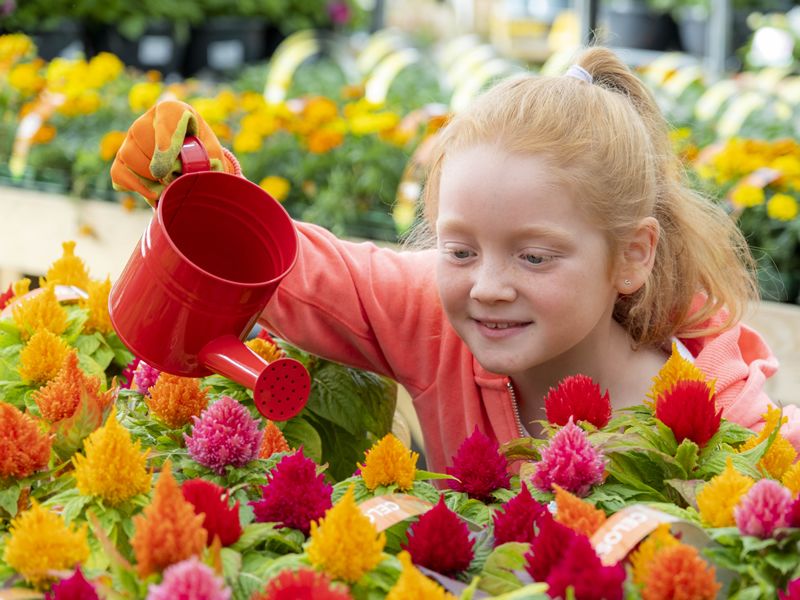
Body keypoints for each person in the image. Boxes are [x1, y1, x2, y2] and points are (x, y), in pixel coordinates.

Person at [111, 46, 799, 474]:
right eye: (459, 247)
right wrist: (203, 191)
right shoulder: (435, 318)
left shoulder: (718, 420)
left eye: (533, 256)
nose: (489, 286)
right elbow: (305, 273)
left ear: (632, 256)